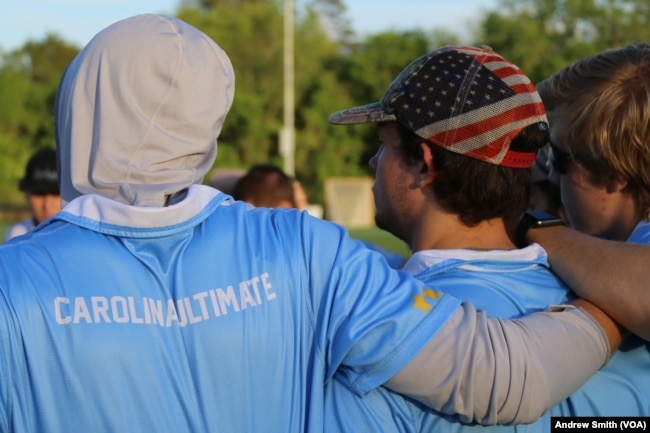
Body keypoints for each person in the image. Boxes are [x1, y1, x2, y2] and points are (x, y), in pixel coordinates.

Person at [0, 15, 618, 432]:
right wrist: (610, 311)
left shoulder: (12, 282)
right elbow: (506, 377)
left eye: (381, 144)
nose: (372, 162)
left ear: (79, 108)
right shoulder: (301, 247)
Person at [324, 45, 646, 432]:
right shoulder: (615, 302)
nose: (374, 162)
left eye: (384, 144)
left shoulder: (387, 347)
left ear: (425, 164)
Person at [4, 148, 61, 242]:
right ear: (26, 194)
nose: (47, 205)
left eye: (55, 193)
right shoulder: (17, 235)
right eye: (39, 194)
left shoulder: (82, 236)